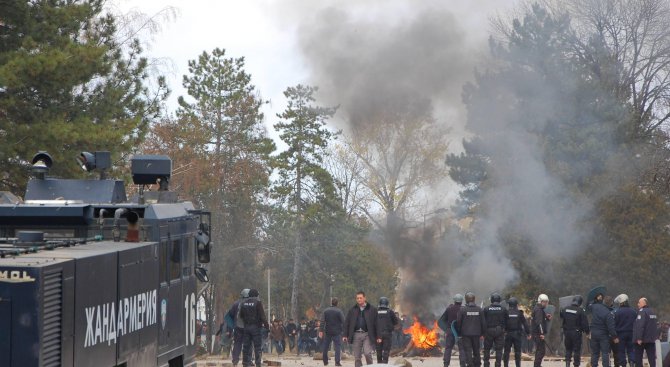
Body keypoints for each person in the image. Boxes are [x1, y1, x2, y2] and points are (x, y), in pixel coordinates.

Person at [344, 291, 378, 367]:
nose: (359, 300)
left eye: (360, 298)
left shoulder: (372, 309)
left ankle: (370, 365)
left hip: (367, 334)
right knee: (357, 357)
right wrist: (345, 335)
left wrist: (379, 336)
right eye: (357, 298)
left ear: (364, 298)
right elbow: (347, 323)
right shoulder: (352, 310)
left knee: (367, 353)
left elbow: (377, 324)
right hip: (356, 335)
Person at [240, 288, 269, 367]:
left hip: (246, 328)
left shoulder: (243, 303)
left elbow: (241, 315)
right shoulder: (258, 303)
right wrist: (267, 327)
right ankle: (258, 363)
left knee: (246, 346)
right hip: (256, 328)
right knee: (257, 347)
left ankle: (245, 363)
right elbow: (263, 316)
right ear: (256, 295)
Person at [457, 292, 486, 367]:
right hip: (477, 334)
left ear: (466, 299)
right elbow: (483, 323)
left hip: (465, 334)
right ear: (474, 299)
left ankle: (470, 365)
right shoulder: (479, 309)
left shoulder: (462, 310)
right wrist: (483, 334)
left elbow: (459, 322)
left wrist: (459, 333)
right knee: (476, 350)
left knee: (468, 351)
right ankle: (477, 364)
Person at [589, 293, 619, 367]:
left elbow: (589, 304)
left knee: (595, 353)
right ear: (611, 303)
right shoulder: (608, 313)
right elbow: (611, 327)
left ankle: (594, 365)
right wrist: (615, 337)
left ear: (603, 301)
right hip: (603, 335)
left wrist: (596, 299)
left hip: (593, 333)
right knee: (605, 353)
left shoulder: (595, 307)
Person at [561, 295, 590, 367]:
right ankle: (576, 365)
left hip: (567, 332)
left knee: (568, 349)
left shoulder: (565, 309)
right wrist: (587, 332)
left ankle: (567, 364)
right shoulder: (581, 311)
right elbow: (585, 323)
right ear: (580, 302)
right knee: (577, 350)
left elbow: (562, 317)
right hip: (576, 333)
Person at [440, 294, 466, 367]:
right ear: (461, 301)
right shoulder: (464, 309)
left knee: (448, 348)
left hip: (450, 331)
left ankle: (446, 364)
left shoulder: (449, 308)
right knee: (462, 349)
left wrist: (446, 329)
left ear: (454, 300)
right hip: (461, 332)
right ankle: (463, 364)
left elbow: (442, 320)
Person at [226, 288, 250, 367]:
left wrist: (230, 328)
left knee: (237, 344)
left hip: (238, 328)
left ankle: (235, 361)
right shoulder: (253, 304)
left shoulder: (236, 304)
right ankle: (248, 361)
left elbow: (229, 317)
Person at [483, 293, 508, 367]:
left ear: (491, 300)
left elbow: (483, 321)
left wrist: (483, 332)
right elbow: (507, 320)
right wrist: (504, 329)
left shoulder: (486, 309)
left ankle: (486, 364)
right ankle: (498, 365)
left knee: (487, 349)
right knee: (499, 350)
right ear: (499, 300)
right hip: (500, 331)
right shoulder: (503, 309)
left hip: (488, 331)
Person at [633, 297, 659, 367]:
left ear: (644, 303)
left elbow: (640, 325)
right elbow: (655, 326)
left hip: (642, 340)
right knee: (652, 358)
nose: (638, 304)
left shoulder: (642, 311)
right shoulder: (652, 311)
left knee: (638, 358)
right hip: (651, 339)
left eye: (639, 302)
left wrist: (639, 338)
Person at [503, 297, 529, 367]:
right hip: (517, 334)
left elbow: (503, 323)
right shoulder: (520, 313)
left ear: (509, 304)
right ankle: (518, 365)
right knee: (517, 352)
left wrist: (504, 331)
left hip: (508, 334)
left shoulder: (506, 312)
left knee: (506, 351)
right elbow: (525, 323)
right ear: (516, 304)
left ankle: (506, 365)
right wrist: (528, 333)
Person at [320, 297, 345, 366]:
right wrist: (344, 331)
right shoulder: (339, 311)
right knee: (337, 347)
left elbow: (322, 321)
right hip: (337, 332)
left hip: (328, 331)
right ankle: (337, 362)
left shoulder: (326, 311)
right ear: (337, 303)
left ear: (331, 302)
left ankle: (325, 361)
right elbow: (343, 322)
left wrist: (321, 330)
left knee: (325, 347)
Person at [614, 294, 636, 367]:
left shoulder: (617, 312)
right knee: (631, 349)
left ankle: (623, 364)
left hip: (621, 334)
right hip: (631, 333)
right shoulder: (633, 311)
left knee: (621, 351)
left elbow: (615, 324)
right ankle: (632, 362)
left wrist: (614, 335)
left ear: (621, 303)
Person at [375, 296, 399, 364]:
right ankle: (384, 364)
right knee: (386, 350)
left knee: (379, 351)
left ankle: (379, 364)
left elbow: (373, 323)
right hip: (387, 334)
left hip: (378, 335)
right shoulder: (390, 312)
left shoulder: (376, 311)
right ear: (387, 303)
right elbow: (396, 322)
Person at [531, 294, 552, 367]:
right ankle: (537, 365)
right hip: (538, 334)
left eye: (546, 302)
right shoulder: (539, 310)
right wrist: (542, 333)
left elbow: (540, 319)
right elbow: (539, 323)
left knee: (539, 350)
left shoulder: (539, 309)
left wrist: (546, 317)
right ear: (540, 301)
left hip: (537, 333)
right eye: (544, 302)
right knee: (541, 351)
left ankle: (537, 365)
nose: (546, 303)